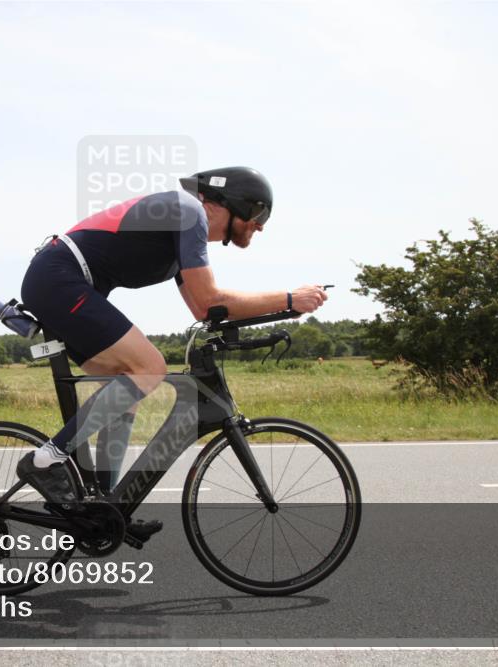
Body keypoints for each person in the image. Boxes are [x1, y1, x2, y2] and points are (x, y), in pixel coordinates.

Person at [16, 166, 328, 538]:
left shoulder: (185, 238)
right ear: (237, 203)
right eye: (259, 214)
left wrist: (280, 313)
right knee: (149, 367)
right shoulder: (189, 212)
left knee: (128, 385)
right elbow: (211, 298)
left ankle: (106, 505)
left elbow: (204, 310)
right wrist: (290, 298)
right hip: (59, 276)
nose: (261, 226)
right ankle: (46, 460)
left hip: (65, 282)